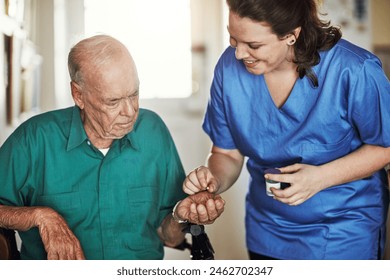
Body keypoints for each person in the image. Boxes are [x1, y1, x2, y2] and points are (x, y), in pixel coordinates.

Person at [181, 0, 390, 259]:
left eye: (253, 45)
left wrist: (320, 178)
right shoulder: (228, 69)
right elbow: (227, 154)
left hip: (343, 228)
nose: (238, 54)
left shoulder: (354, 69)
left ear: (292, 35)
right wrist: (212, 181)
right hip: (268, 230)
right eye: (234, 39)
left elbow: (385, 146)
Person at [0, 35, 224, 260]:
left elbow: (170, 238)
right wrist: (40, 216)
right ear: (78, 95)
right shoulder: (34, 139)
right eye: (113, 102)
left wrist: (180, 216)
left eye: (134, 94)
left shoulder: (153, 132)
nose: (129, 112)